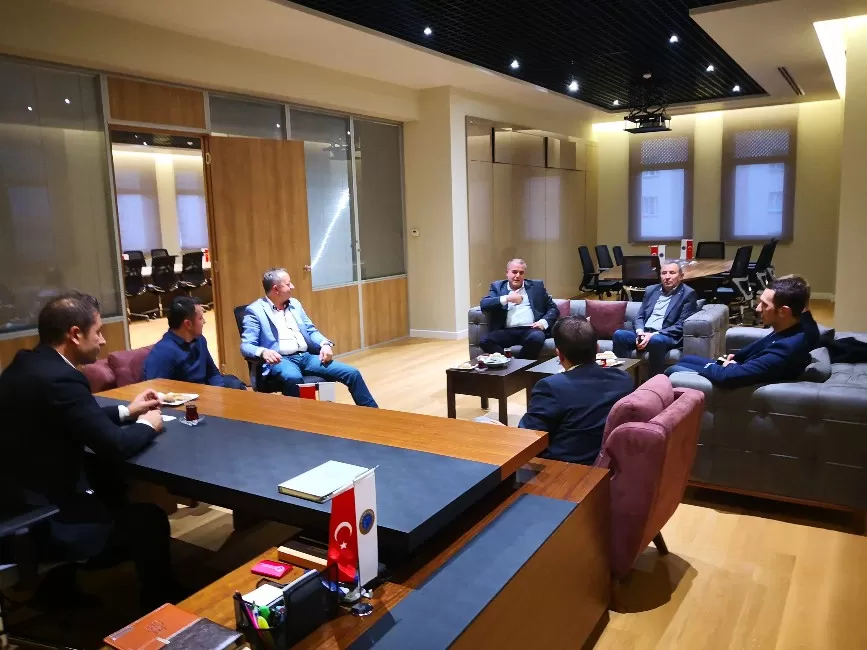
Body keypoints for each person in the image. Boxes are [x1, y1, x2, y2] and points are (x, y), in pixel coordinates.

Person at [0, 292, 179, 610]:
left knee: (108, 482)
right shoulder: (63, 379)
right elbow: (116, 445)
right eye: (98, 331)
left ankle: (58, 590)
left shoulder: (26, 364)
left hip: (13, 503)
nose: (103, 340)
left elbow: (71, 417)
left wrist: (128, 411)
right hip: (44, 521)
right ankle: (160, 605)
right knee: (149, 520)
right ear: (75, 334)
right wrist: (148, 424)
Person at [240, 268, 377, 407]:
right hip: (281, 360)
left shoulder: (295, 304)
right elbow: (246, 345)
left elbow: (311, 330)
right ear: (276, 289)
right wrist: (263, 352)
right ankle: (301, 418)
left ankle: (374, 414)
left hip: (306, 357)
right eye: (288, 284)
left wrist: (325, 344)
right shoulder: (255, 310)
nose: (292, 286)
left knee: (352, 373)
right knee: (293, 378)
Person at [519, 316, 634, 465]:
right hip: (610, 465)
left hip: (560, 470)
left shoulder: (550, 387)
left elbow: (527, 438)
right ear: (597, 349)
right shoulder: (624, 379)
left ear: (559, 354)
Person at [665, 276, 814, 388]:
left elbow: (729, 377)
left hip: (734, 379)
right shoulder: (791, 326)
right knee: (686, 359)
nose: (757, 308)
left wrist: (731, 366)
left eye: (764, 304)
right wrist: (736, 358)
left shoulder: (787, 348)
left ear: (783, 312)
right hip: (739, 366)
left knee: (673, 369)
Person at [612, 260, 698, 376]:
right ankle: (621, 377)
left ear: (681, 276)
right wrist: (640, 332)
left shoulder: (688, 294)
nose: (667, 277)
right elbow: (640, 316)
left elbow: (681, 325)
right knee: (619, 335)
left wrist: (653, 335)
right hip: (644, 333)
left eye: (672, 273)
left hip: (665, 335)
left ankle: (654, 380)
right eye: (664, 273)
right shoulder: (651, 290)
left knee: (656, 340)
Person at [143, 296, 246, 389]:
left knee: (234, 384)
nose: (204, 322)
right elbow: (156, 391)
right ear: (188, 324)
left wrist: (220, 392)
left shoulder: (200, 340)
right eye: (200, 318)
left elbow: (212, 373)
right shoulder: (163, 353)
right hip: (184, 400)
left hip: (204, 392)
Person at [479, 259, 559, 360]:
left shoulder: (536, 286)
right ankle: (508, 361)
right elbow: (484, 304)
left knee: (537, 338)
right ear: (507, 273)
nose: (517, 276)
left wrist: (543, 322)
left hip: (530, 329)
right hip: (507, 331)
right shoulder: (497, 287)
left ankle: (518, 365)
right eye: (514, 272)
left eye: (521, 273)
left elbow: (553, 308)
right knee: (484, 340)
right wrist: (507, 298)